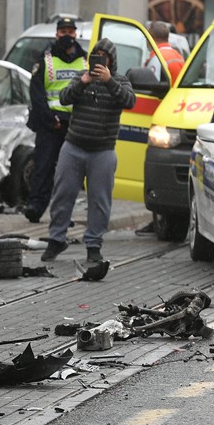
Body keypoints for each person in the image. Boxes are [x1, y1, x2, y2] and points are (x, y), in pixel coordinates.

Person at [41, 38, 136, 263]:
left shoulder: (120, 81)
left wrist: (109, 81)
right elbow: (64, 98)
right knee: (62, 195)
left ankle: (94, 245)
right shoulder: (81, 77)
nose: (99, 60)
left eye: (105, 56)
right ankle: (56, 240)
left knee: (99, 201)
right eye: (96, 55)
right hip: (73, 147)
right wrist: (82, 82)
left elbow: (130, 101)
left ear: (111, 61)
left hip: (102, 151)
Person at [22, 16, 87, 223]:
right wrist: (51, 120)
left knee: (70, 173)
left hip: (75, 126)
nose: (67, 35)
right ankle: (35, 206)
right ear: (56, 34)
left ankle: (62, 213)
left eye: (70, 32)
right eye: (63, 32)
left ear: (76, 34)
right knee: (43, 166)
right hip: (51, 124)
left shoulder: (85, 60)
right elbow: (37, 94)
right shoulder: (45, 59)